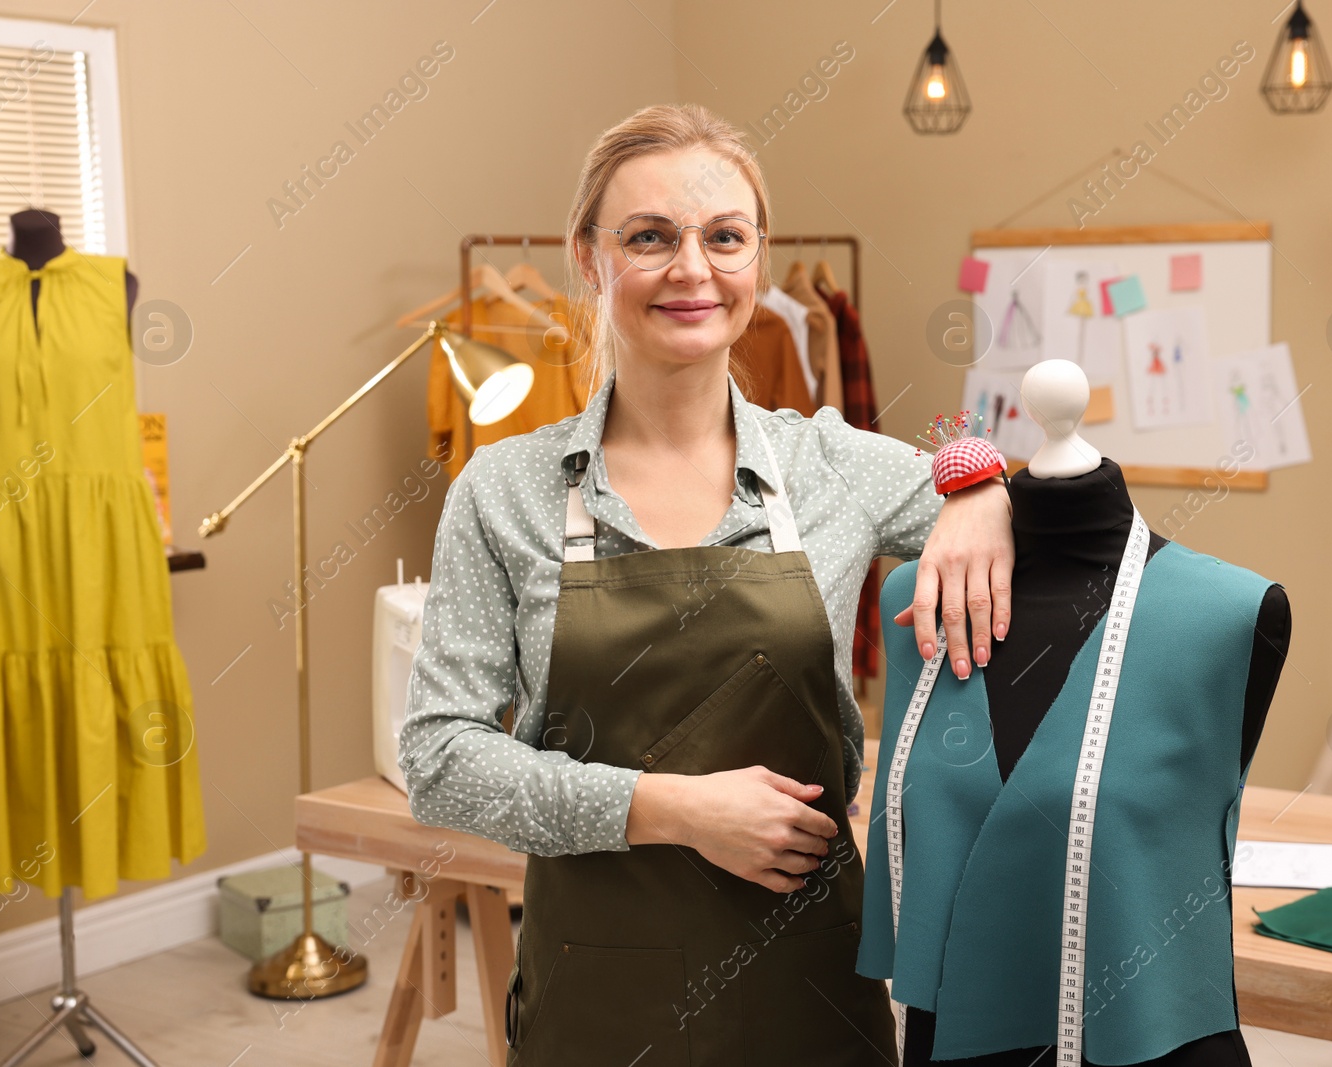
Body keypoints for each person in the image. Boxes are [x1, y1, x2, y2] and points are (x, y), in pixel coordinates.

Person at [399, 103, 1013, 1066]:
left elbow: (1044, 503)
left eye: (724, 237)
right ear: (591, 259)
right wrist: (675, 809)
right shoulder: (505, 490)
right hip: (596, 999)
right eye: (651, 236)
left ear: (757, 259)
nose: (693, 269)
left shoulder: (826, 462)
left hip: (808, 988)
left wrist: (979, 481)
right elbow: (439, 758)